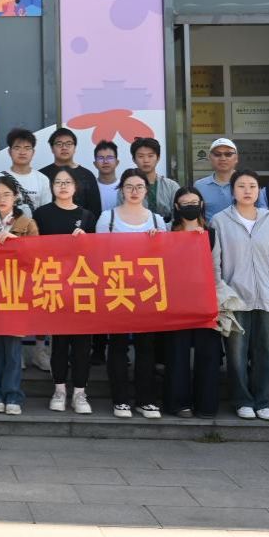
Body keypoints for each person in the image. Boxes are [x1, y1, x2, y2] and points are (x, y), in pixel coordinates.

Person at [211, 170, 269, 421]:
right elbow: (215, 263)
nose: (247, 190)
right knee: (236, 354)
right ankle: (242, 400)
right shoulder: (220, 221)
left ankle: (262, 401)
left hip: (266, 297)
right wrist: (221, 294)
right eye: (241, 186)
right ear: (233, 191)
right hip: (234, 299)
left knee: (265, 353)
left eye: (252, 186)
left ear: (259, 191)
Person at [97, 168, 168, 419]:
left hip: (147, 290)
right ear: (121, 190)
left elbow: (165, 257)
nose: (134, 191)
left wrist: (157, 241)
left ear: (146, 190)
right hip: (118, 287)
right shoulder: (108, 218)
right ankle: (120, 400)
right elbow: (99, 253)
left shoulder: (157, 221)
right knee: (117, 345)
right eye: (129, 187)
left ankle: (145, 399)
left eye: (139, 187)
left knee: (146, 346)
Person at [33, 170, 97, 415]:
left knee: (82, 343)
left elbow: (98, 253)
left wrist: (86, 241)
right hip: (53, 285)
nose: (62, 186)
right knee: (59, 342)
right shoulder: (42, 214)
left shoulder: (87, 216)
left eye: (67, 182)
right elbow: (33, 248)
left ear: (75, 187)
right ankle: (59, 390)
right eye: (58, 182)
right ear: (51, 187)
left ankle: (80, 393)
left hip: (81, 285)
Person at [163, 187, 223, 419]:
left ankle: (207, 405)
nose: (190, 207)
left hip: (205, 299)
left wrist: (217, 299)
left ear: (202, 204)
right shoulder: (168, 231)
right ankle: (179, 404)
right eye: (185, 203)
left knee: (208, 353)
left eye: (194, 202)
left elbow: (216, 268)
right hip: (176, 301)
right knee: (177, 353)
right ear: (177, 207)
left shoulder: (211, 233)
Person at [0, 175, 38, 416]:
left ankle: (13, 394)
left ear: (15, 197)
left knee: (13, 348)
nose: (2, 199)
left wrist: (17, 243)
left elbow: (36, 258)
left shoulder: (27, 223)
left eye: (6, 194)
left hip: (15, 292)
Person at [39, 127, 101, 218]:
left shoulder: (87, 175)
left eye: (68, 144)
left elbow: (95, 210)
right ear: (52, 148)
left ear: (75, 148)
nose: (64, 147)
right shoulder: (41, 175)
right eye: (59, 144)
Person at [130, 137, 179, 221]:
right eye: (141, 156)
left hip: (167, 228)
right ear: (134, 159)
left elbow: (178, 216)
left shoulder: (171, 186)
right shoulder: (127, 187)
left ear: (158, 158)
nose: (146, 160)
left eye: (150, 156)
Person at [195, 137, 238, 222]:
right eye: (217, 154)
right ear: (210, 158)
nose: (223, 158)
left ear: (236, 158)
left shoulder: (248, 184)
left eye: (228, 154)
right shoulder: (199, 186)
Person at [94, 140, 121, 213]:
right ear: (95, 164)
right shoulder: (90, 187)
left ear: (117, 162)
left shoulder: (124, 187)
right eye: (101, 158)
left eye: (110, 158)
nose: (105, 162)